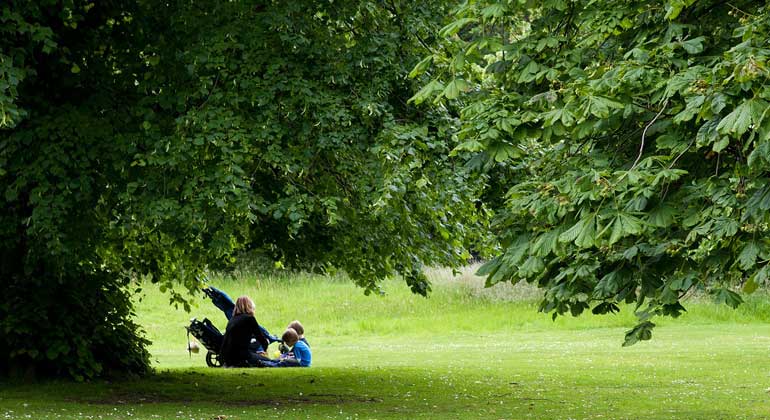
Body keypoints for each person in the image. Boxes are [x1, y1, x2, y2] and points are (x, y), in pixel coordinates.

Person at [219, 296, 270, 367]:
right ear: (249, 306)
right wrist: (265, 347)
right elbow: (260, 337)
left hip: (226, 357)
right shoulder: (249, 319)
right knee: (267, 361)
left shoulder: (232, 320)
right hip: (240, 357)